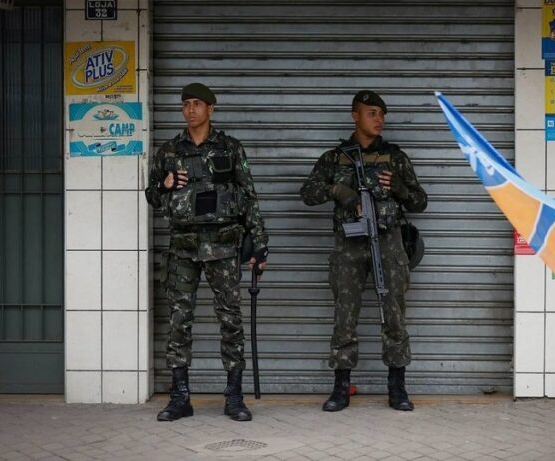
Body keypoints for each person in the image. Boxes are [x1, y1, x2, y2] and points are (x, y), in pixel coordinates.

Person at [145, 83, 269, 422]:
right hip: (183, 247)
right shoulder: (169, 151)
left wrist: (260, 244)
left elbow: (249, 197)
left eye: (197, 104)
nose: (190, 110)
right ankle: (180, 396)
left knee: (230, 321)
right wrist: (165, 184)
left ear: (211, 109)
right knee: (178, 322)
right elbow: (152, 196)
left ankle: (233, 396)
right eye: (185, 104)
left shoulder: (230, 148)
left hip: (223, 247)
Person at [300, 90, 427, 412]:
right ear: (355, 116)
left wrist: (398, 188)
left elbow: (420, 201)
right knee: (345, 316)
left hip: (388, 241)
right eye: (372, 113)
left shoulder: (395, 158)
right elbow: (308, 193)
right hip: (349, 243)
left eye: (382, 114)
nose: (379, 120)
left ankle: (397, 387)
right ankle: (341, 387)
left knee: (394, 315)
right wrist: (338, 191)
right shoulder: (335, 157)